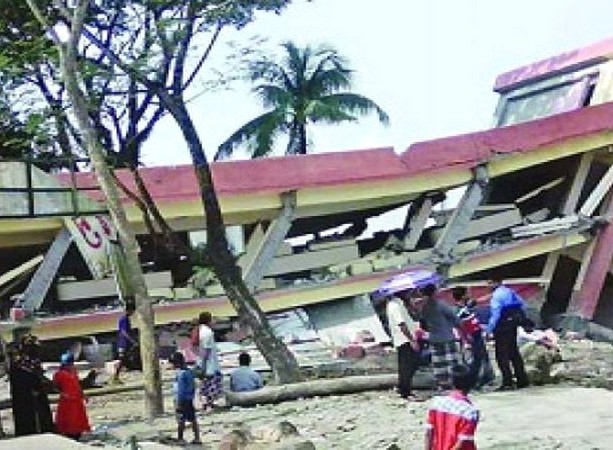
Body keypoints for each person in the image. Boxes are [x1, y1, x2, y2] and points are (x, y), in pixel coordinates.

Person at [485, 275, 529, 391]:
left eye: (490, 283)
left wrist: (489, 330)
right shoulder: (509, 291)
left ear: (495, 283)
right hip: (512, 324)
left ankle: (507, 382)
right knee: (514, 352)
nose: (488, 286)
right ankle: (522, 380)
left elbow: (495, 315)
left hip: (502, 326)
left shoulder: (496, 296)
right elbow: (522, 304)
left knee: (501, 355)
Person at [7, 334, 54, 436]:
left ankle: (44, 429)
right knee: (27, 415)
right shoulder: (20, 362)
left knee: (41, 413)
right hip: (24, 394)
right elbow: (22, 376)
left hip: (37, 393)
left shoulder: (33, 360)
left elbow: (38, 374)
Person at [425, 364, 480, 450]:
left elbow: (428, 433)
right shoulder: (470, 412)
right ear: (472, 384)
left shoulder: (436, 403)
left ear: (451, 382)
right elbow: (461, 444)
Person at [419, 283, 462, 390]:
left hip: (433, 338)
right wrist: (459, 326)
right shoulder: (441, 304)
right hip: (446, 336)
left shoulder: (425, 307)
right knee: (451, 361)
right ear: (434, 292)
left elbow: (423, 323)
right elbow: (454, 318)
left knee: (439, 362)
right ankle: (454, 382)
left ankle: (442, 383)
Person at [451, 287, 495, 389]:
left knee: (482, 358)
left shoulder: (467, 306)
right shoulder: (458, 311)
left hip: (477, 335)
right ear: (462, 296)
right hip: (471, 338)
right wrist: (466, 340)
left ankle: (486, 378)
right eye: (467, 293)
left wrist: (493, 294)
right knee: (475, 361)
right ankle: (472, 383)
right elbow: (459, 326)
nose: (469, 295)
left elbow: (480, 300)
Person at [386, 290, 422, 400]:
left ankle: (404, 388)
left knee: (409, 364)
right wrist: (411, 340)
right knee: (407, 366)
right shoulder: (394, 305)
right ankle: (405, 391)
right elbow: (401, 324)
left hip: (406, 338)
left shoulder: (400, 303)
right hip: (404, 339)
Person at [54, 352, 91, 440]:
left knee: (77, 417)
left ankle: (77, 432)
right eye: (68, 364)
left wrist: (83, 395)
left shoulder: (73, 372)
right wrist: (63, 393)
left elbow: (77, 385)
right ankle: (68, 432)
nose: (70, 366)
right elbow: (56, 386)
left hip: (76, 398)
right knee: (69, 417)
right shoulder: (59, 374)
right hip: (67, 400)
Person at [170, 351, 201, 445]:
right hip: (189, 399)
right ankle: (197, 437)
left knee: (181, 420)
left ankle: (180, 438)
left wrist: (179, 402)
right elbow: (193, 386)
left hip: (181, 400)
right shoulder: (189, 372)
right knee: (192, 418)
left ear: (176, 363)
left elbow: (180, 390)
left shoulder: (181, 374)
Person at [197, 311, 222, 411]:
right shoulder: (207, 332)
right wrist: (204, 363)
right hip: (209, 362)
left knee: (205, 384)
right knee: (211, 384)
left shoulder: (201, 330)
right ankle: (209, 404)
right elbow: (206, 349)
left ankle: (206, 403)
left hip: (205, 360)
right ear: (208, 320)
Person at [112, 302, 137, 384]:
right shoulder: (124, 319)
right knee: (122, 359)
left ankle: (116, 376)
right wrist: (131, 340)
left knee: (124, 359)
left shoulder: (126, 318)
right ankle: (115, 376)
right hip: (123, 342)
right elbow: (124, 331)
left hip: (125, 342)